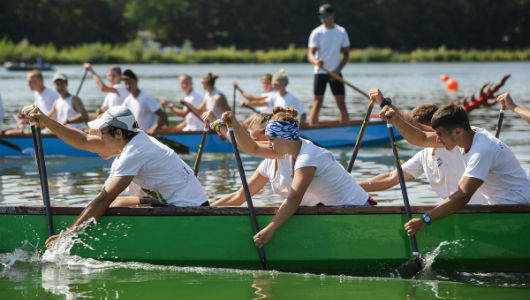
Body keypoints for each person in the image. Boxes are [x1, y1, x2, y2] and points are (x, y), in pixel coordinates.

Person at [21, 105, 209, 248]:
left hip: (189, 214)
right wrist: (46, 121)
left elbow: (103, 200)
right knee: (117, 202)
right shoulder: (132, 139)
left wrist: (67, 235)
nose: (99, 138)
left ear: (118, 133)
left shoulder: (135, 152)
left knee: (110, 203)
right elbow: (82, 140)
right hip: (181, 206)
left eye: (102, 133)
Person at [372, 90, 530, 236]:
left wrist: (425, 219)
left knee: (448, 226)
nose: (437, 139)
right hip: (499, 207)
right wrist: (394, 118)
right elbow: (421, 137)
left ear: (457, 131)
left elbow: (463, 195)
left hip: (517, 210)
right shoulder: (465, 133)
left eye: (439, 134)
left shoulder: (482, 150)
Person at [210, 107, 370, 247]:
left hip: (359, 210)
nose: (269, 144)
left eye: (271, 140)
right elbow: (252, 148)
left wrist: (270, 229)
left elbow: (294, 198)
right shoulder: (288, 148)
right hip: (337, 212)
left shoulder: (308, 157)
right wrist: (231, 125)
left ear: (284, 138)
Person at [359, 103, 487, 204]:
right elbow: (390, 178)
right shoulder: (424, 155)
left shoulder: (457, 143)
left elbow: (421, 132)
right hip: (455, 209)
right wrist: (350, 186)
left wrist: (387, 105)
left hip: (483, 209)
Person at [307, 3, 350, 125]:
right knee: (317, 102)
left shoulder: (341, 31)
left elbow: (346, 55)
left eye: (324, 15)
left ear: (332, 15)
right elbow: (310, 54)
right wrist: (316, 62)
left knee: (341, 103)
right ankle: (312, 129)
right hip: (320, 72)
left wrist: (338, 70)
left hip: (335, 72)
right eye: (320, 16)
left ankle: (346, 129)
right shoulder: (317, 32)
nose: (322, 18)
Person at [121, 69, 167, 134]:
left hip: (148, 137)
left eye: (130, 83)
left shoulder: (146, 98)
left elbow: (164, 117)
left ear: (136, 81)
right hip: (136, 135)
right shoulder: (127, 100)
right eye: (126, 84)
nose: (128, 86)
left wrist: (153, 130)